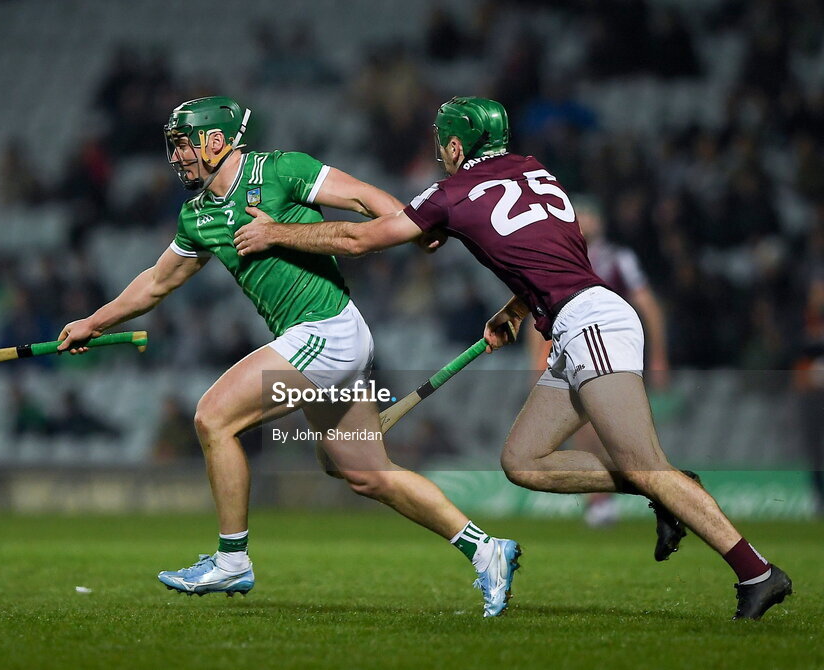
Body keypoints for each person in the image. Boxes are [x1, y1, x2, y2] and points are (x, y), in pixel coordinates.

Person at [234, 97, 792, 620]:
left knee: (646, 460)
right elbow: (551, 256)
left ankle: (756, 572)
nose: (440, 151)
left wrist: (274, 233)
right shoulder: (536, 170)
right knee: (524, 461)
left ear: (456, 146)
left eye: (442, 142)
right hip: (577, 318)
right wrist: (517, 308)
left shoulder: (450, 192)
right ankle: (669, 487)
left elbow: (360, 241)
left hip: (589, 323)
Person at [58, 97, 521, 616]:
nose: (176, 157)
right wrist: (93, 323)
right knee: (368, 473)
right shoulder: (198, 216)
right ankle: (486, 550)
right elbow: (156, 282)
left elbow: (364, 196)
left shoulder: (280, 170)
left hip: (327, 329)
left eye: (183, 145)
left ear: (216, 141)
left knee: (213, 417)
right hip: (325, 339)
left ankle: (232, 560)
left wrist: (412, 228)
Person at [523, 196, 673, 529]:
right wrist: (536, 359)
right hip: (575, 350)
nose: (585, 221)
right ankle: (608, 499)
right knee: (589, 428)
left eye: (591, 215)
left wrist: (660, 356)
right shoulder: (560, 257)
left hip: (613, 346)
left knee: (612, 431)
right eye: (581, 215)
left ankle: (656, 489)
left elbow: (649, 306)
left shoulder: (618, 258)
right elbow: (538, 314)